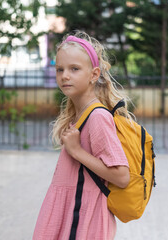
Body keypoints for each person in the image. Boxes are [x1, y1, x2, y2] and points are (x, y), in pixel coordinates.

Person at [33, 31, 134, 240]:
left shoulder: (97, 116)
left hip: (83, 220)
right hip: (72, 212)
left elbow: (122, 176)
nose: (64, 75)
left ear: (94, 75)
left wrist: (77, 151)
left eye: (74, 69)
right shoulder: (80, 114)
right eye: (59, 69)